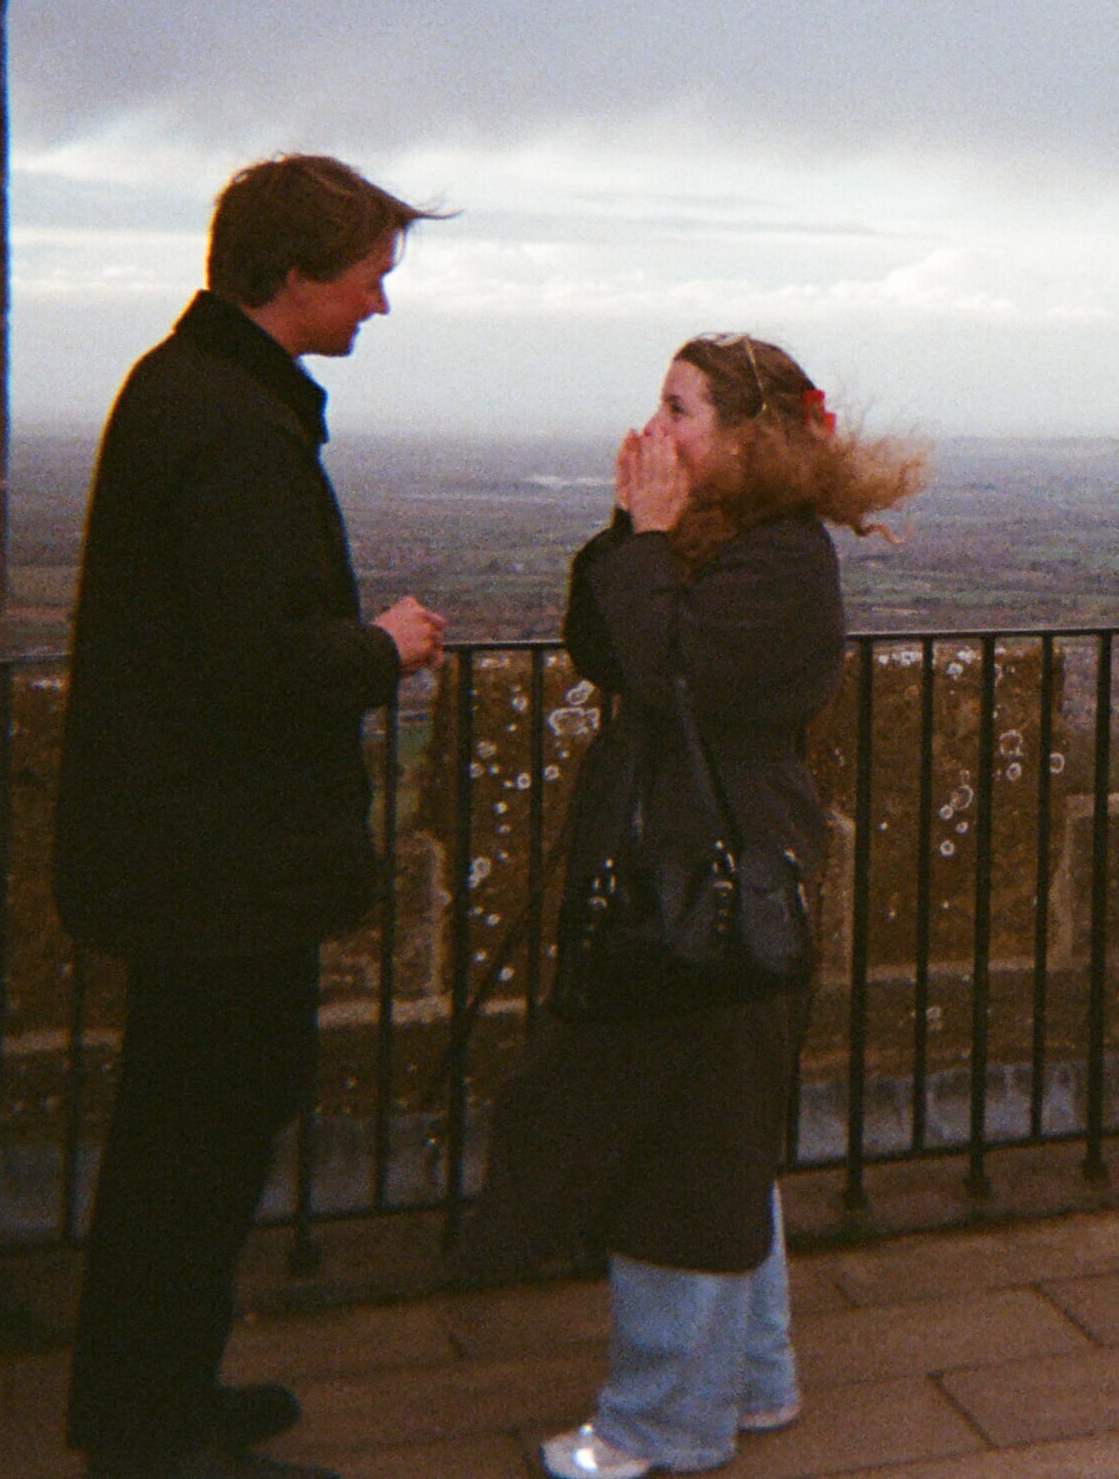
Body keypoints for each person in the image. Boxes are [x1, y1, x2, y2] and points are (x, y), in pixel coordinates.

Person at [54, 155, 452, 1479]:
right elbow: (259, 665)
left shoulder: (194, 390)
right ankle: (153, 1432)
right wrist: (383, 648)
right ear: (295, 275)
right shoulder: (233, 427)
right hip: (216, 864)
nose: (379, 306)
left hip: (187, 849)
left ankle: (156, 1396)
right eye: (369, 277)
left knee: (184, 1137)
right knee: (196, 1149)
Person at [465, 335, 922, 1479]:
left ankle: (658, 1423)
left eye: (678, 408)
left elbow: (669, 670)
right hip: (690, 858)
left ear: (746, 434)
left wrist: (651, 540)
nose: (654, 428)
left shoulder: (780, 561)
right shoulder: (721, 541)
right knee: (717, 1127)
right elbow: (602, 643)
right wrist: (637, 531)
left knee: (684, 1144)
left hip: (715, 869)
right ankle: (754, 1380)